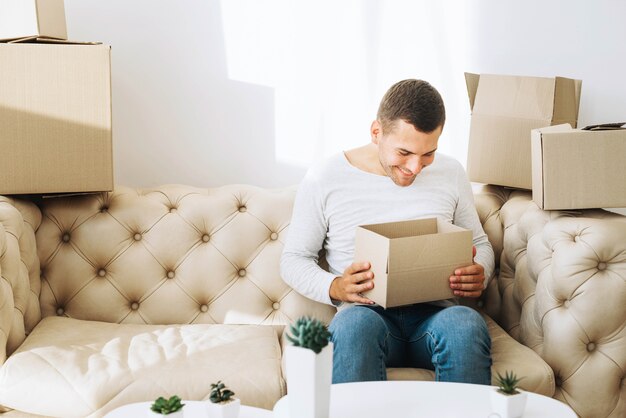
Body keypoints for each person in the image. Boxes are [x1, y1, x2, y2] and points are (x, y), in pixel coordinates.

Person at [280, 79, 494, 384]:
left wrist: (480, 269)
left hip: (435, 316)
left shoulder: (451, 172)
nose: (416, 167)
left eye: (428, 153)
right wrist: (335, 286)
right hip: (366, 315)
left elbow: (479, 243)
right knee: (354, 326)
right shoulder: (325, 177)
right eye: (404, 152)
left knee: (466, 324)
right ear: (376, 132)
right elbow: (293, 259)